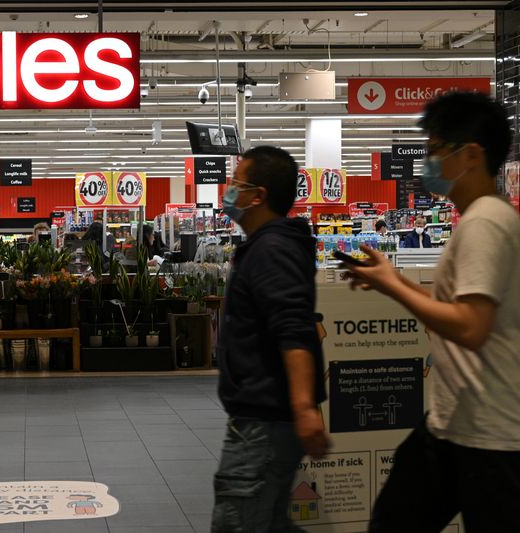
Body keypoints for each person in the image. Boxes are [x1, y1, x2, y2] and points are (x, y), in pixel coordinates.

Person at [343, 92, 520, 533]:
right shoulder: (481, 219)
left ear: (472, 155)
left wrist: (393, 289)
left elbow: (472, 327)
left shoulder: (484, 223)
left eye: (436, 150)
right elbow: (455, 310)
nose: (428, 162)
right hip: (453, 425)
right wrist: (393, 280)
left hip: (490, 436)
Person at [212, 146, 329, 533]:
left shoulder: (272, 249)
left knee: (239, 523)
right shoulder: (268, 246)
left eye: (235, 183)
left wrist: (303, 407)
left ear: (257, 195)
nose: (228, 191)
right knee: (271, 521)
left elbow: (293, 329)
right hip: (263, 418)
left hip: (263, 423)